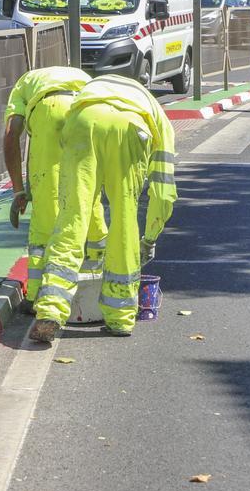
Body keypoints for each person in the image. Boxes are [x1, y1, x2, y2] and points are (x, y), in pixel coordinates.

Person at [30, 74, 177, 341]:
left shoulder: (95, 88)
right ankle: (120, 319)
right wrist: (150, 239)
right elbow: (163, 192)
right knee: (124, 220)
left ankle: (50, 310)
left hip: (83, 119)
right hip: (132, 127)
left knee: (71, 218)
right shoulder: (158, 117)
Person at [3, 67, 107, 311]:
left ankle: (39, 295)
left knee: (46, 210)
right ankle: (96, 277)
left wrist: (19, 191)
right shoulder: (81, 76)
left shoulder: (23, 84)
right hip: (89, 110)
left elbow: (11, 135)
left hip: (50, 109)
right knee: (87, 198)